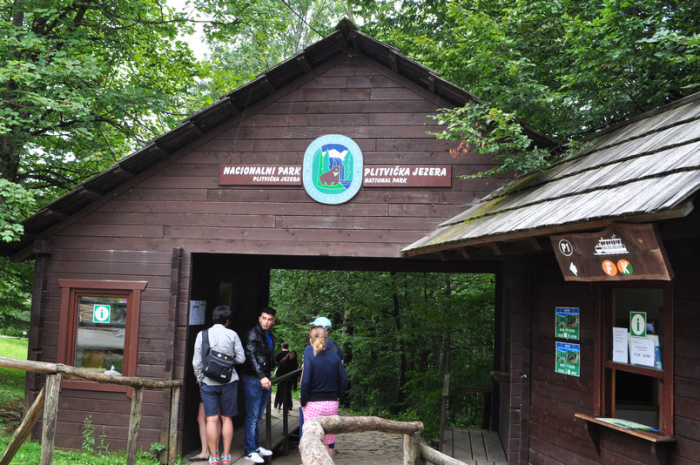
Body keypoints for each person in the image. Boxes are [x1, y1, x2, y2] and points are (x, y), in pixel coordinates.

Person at [192, 305, 246, 465]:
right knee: (227, 418)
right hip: (229, 381)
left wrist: (200, 379)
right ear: (227, 321)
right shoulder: (232, 334)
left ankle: (213, 457)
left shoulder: (202, 335)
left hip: (208, 382)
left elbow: (196, 362)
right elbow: (241, 359)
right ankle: (227, 455)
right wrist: (226, 363)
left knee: (211, 419)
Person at [300, 326, 349, 459]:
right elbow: (344, 379)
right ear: (325, 340)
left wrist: (303, 401)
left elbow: (305, 381)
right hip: (331, 405)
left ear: (311, 340)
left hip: (313, 405)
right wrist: (339, 395)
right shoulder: (334, 356)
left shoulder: (309, 354)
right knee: (328, 443)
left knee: (311, 442)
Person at [241, 307, 277, 463]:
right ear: (259, 318)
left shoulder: (270, 336)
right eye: (264, 318)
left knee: (258, 416)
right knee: (252, 416)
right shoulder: (252, 334)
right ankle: (249, 451)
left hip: (265, 379)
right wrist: (262, 376)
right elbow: (250, 357)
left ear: (273, 321)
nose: (266, 322)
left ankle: (255, 446)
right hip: (253, 379)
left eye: (269, 319)